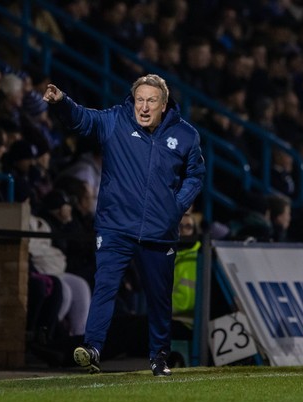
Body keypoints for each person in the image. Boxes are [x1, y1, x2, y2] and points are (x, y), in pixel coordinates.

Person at [43, 73, 205, 376]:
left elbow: (195, 175)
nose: (143, 107)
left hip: (159, 232)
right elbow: (83, 120)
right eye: (139, 100)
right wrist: (63, 102)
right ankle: (93, 349)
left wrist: (176, 206)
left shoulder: (185, 135)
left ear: (164, 103)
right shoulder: (116, 120)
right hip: (115, 226)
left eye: (151, 101)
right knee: (105, 287)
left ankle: (159, 357)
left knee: (158, 298)